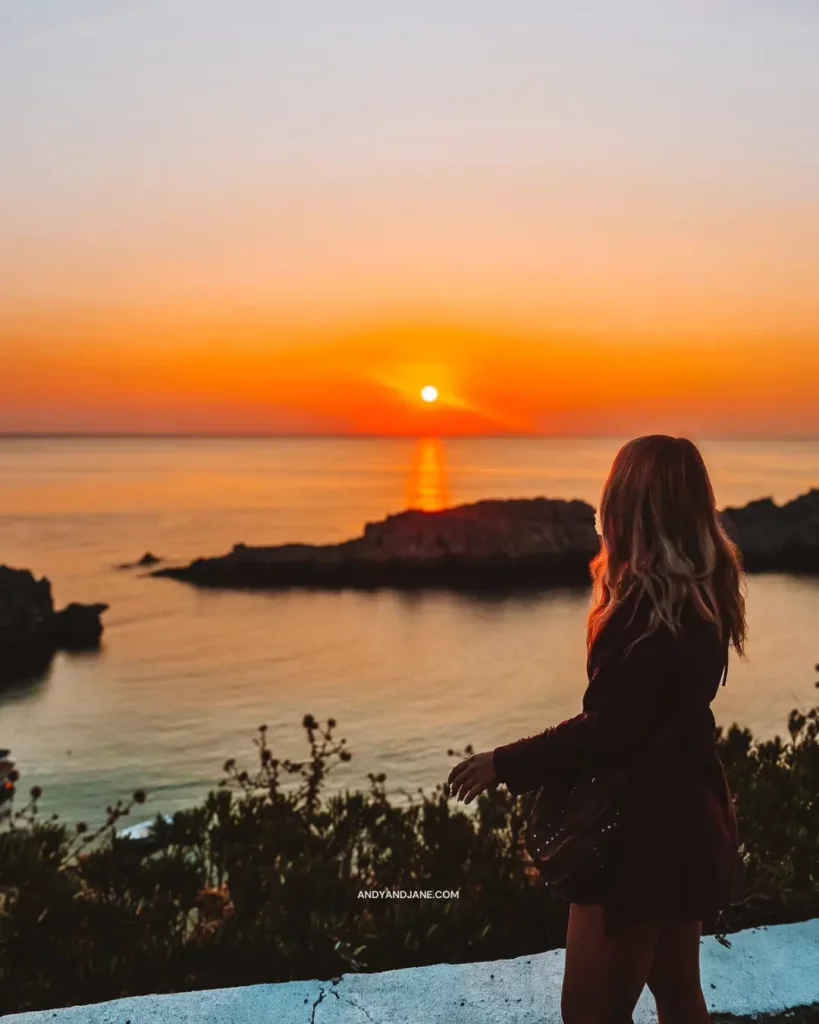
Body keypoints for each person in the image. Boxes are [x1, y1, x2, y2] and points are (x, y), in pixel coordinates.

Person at [446, 435, 745, 1024]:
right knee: (679, 995)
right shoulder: (706, 599)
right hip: (693, 818)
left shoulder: (645, 613)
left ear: (626, 501)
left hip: (641, 838)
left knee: (589, 1014)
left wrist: (504, 763)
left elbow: (607, 732)